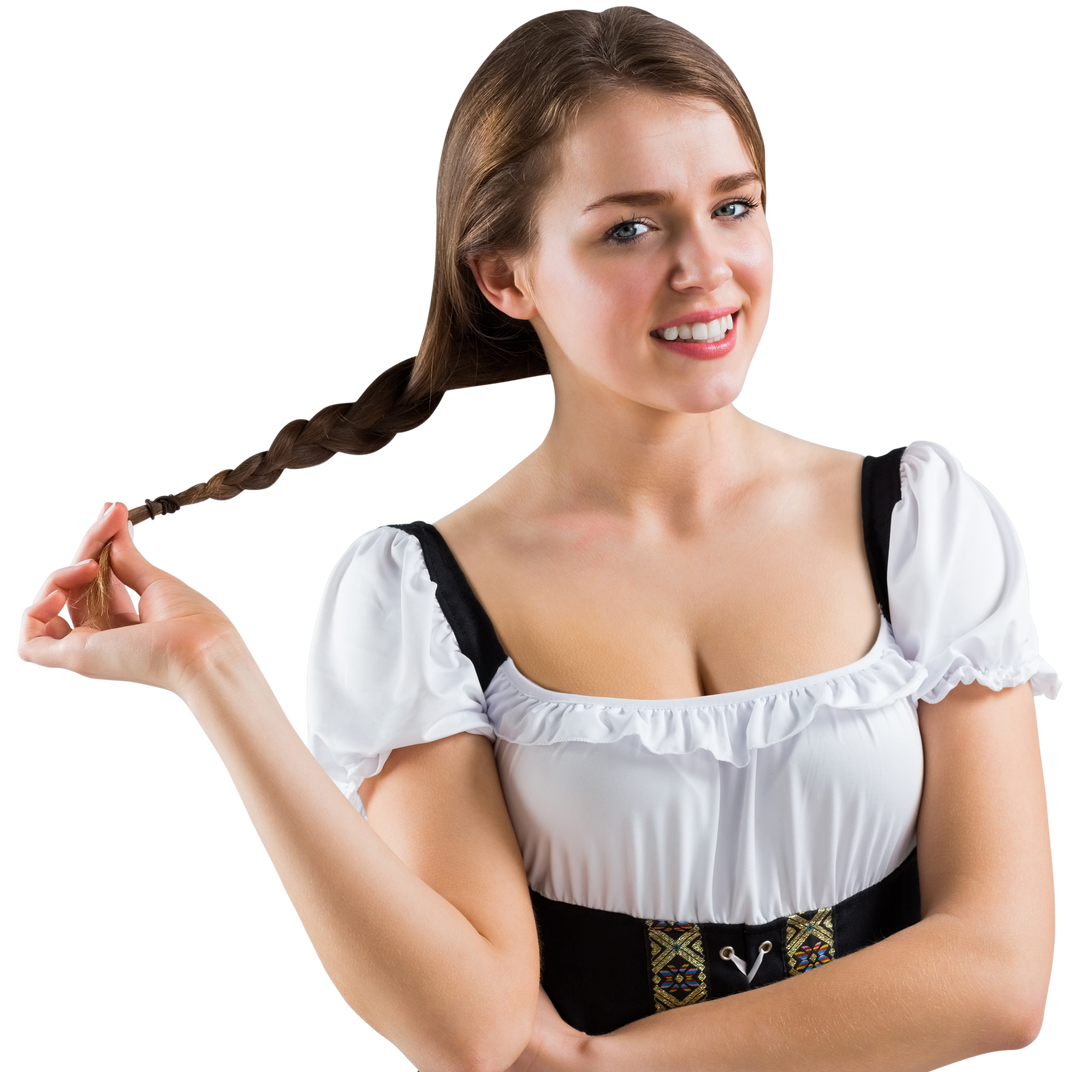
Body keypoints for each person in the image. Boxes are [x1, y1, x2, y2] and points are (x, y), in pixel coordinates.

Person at [17, 7, 1059, 1069]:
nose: (708, 268)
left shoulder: (919, 519)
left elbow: (1003, 975)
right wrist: (214, 673)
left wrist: (602, 1066)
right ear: (504, 277)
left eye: (734, 205)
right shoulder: (422, 594)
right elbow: (467, 1029)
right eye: (632, 228)